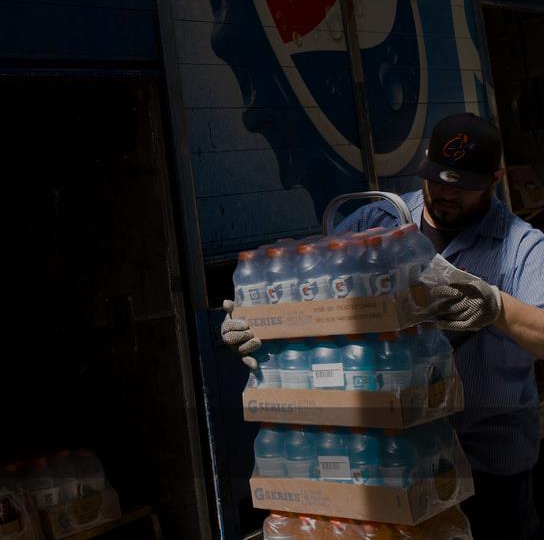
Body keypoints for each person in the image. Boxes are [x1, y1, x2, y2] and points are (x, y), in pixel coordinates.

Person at [222, 113, 544, 540]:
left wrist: (496, 305)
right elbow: (313, 297)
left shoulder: (522, 246)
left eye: (464, 186)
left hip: (487, 460)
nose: (447, 194)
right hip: (391, 456)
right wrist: (258, 326)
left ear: (495, 179)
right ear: (425, 161)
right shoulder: (378, 222)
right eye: (437, 180)